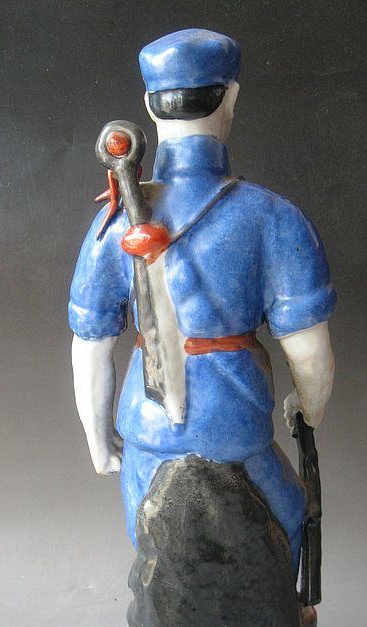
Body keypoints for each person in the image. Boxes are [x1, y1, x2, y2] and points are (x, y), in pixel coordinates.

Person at [69, 29, 336, 577]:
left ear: (149, 106)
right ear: (231, 99)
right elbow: (309, 351)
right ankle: (285, 622)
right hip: (235, 424)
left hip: (148, 429)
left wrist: (99, 440)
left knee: (150, 543)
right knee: (287, 518)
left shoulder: (112, 224)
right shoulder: (273, 217)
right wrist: (309, 406)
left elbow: (90, 347)